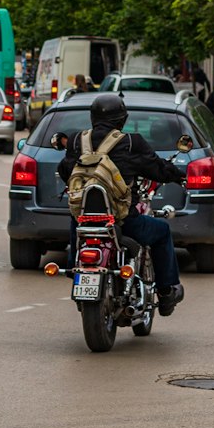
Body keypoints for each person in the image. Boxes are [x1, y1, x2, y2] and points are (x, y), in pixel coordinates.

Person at [57, 92, 186, 315]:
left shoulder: (78, 141)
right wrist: (178, 175)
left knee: (77, 219)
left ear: (92, 117)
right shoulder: (130, 143)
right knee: (162, 231)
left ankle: (73, 267)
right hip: (123, 221)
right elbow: (158, 168)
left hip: (83, 224)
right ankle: (166, 293)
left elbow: (64, 170)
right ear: (122, 120)